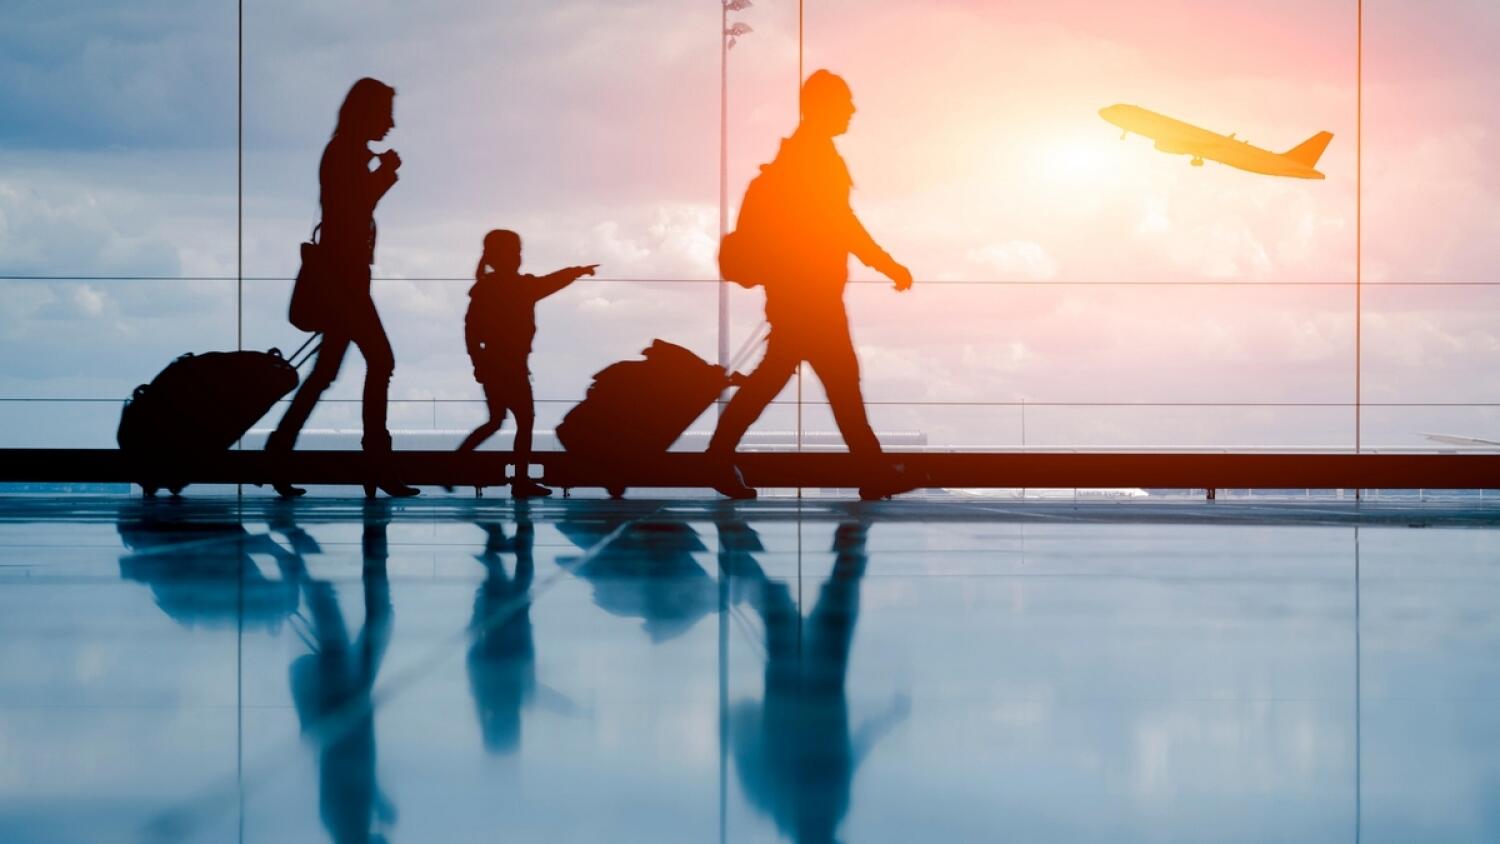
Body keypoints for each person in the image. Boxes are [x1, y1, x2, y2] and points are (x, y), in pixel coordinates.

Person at [709, 70, 914, 501]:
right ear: (823, 106)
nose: (852, 110)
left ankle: (719, 457)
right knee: (836, 382)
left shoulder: (802, 156)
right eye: (845, 103)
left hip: (798, 294)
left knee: (799, 379)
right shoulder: (816, 159)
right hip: (811, 297)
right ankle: (872, 472)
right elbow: (842, 225)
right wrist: (887, 264)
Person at [267, 77, 417, 500]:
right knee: (381, 362)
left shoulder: (345, 152)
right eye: (385, 113)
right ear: (366, 113)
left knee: (324, 374)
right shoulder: (346, 153)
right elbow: (352, 210)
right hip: (346, 282)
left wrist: (380, 172)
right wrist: (386, 173)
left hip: (344, 280)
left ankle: (278, 453)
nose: (390, 123)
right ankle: (377, 465)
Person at [455, 229, 597, 498]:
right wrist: (577, 271)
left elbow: (471, 331)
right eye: (516, 252)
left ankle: (456, 463)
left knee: (497, 420)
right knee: (523, 421)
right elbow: (552, 282)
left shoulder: (485, 289)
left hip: (493, 364)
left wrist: (478, 363)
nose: (519, 257)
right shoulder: (521, 288)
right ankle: (519, 480)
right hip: (511, 366)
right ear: (507, 256)